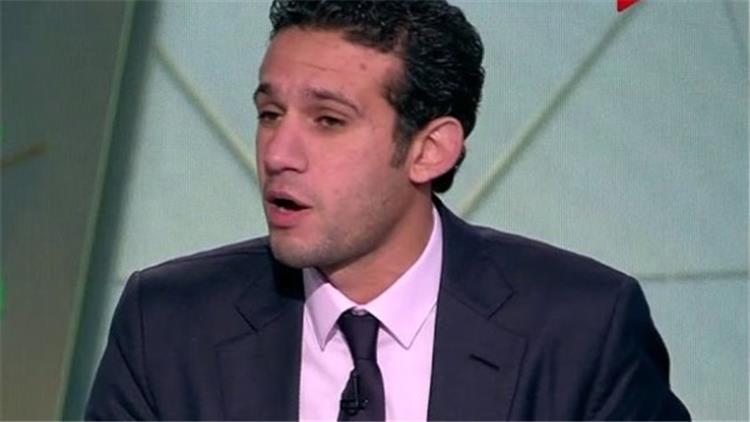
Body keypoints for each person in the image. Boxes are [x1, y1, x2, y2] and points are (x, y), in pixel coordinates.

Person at [86, 1, 691, 420]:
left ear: (430, 150)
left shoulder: (582, 329)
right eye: (270, 114)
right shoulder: (166, 325)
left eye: (328, 121)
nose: (277, 153)